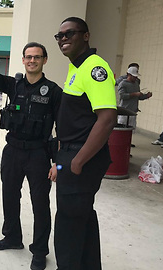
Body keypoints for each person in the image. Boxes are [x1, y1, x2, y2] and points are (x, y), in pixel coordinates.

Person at [0, 25, 63, 270]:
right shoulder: (14, 85)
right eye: (29, 57)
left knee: (40, 204)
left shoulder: (54, 92)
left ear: (44, 60)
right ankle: (13, 237)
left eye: (37, 57)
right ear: (23, 60)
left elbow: (62, 131)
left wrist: (57, 163)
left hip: (39, 153)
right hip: (13, 150)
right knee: (9, 195)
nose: (32, 60)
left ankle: (39, 251)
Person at [52, 17, 117, 269]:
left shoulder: (93, 67)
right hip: (69, 156)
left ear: (86, 36)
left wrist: (77, 162)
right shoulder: (76, 67)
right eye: (60, 36)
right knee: (82, 219)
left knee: (68, 226)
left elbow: (107, 118)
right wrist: (60, 161)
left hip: (82, 158)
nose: (64, 39)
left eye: (70, 33)